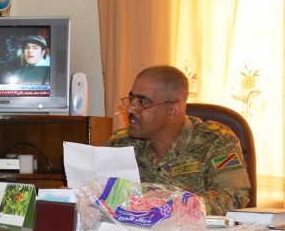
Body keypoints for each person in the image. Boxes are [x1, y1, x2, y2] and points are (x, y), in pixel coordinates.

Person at [107, 65, 251, 215]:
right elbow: (102, 196)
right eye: (131, 100)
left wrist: (170, 207)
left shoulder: (215, 142)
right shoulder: (121, 144)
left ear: (172, 110)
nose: (130, 109)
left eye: (143, 103)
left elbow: (234, 197)